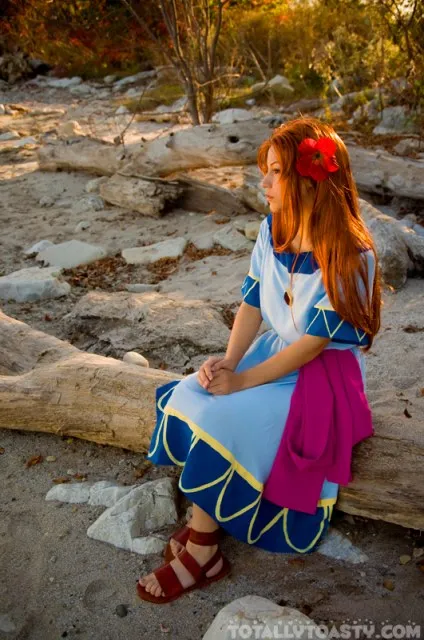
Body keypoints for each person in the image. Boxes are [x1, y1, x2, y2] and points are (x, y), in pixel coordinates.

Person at [137, 115, 382, 604]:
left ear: (312, 179)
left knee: (226, 418)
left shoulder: (351, 254)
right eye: (264, 171)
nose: (264, 183)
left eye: (276, 172)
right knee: (190, 393)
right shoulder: (273, 230)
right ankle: (206, 520)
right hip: (274, 353)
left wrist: (242, 382)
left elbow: (312, 345)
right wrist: (230, 362)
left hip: (321, 379)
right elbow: (251, 302)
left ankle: (204, 549)